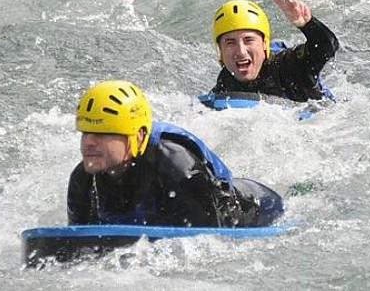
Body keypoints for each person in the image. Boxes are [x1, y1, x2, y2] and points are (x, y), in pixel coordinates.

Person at [67, 80, 283, 227]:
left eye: (104, 133)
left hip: (257, 208)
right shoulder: (83, 179)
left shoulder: (177, 168)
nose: (89, 143)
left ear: (139, 136)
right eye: (85, 132)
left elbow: (210, 243)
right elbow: (81, 241)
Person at [210, 0, 339, 102]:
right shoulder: (225, 82)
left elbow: (327, 47)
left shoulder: (290, 66)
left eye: (248, 40)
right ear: (220, 51)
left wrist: (307, 24)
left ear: (264, 44)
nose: (241, 51)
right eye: (230, 43)